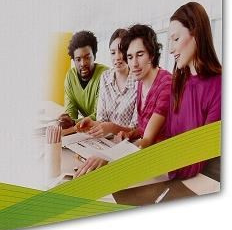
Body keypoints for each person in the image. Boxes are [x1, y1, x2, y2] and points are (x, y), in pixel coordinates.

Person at [74, 24, 170, 177]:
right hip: (145, 158)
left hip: (165, 165)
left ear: (152, 55)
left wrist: (108, 156)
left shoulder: (165, 84)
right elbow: (142, 129)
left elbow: (147, 140)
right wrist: (130, 135)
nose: (134, 63)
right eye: (130, 57)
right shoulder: (142, 82)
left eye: (140, 55)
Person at [166, 2, 222, 179]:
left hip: (204, 180)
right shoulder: (178, 83)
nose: (171, 49)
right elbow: (169, 138)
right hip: (176, 173)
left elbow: (201, 152)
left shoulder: (219, 86)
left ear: (196, 34)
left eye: (176, 39)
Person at [76, 28, 137, 138]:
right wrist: (93, 124)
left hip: (127, 143)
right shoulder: (105, 77)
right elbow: (102, 120)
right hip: (106, 140)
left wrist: (112, 128)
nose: (117, 57)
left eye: (122, 51)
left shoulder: (138, 82)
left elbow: (136, 129)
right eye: (113, 53)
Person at [57, 30, 108, 129]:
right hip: (88, 130)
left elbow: (100, 115)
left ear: (94, 56)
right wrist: (67, 120)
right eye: (78, 59)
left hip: (106, 129)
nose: (83, 63)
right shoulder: (70, 77)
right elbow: (70, 112)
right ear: (73, 60)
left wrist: (73, 122)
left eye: (87, 57)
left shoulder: (105, 75)